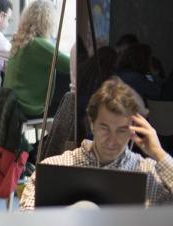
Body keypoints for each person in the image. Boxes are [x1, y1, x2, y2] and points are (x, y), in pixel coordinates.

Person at [20, 78, 173, 210]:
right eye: (104, 128)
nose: (112, 140)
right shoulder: (54, 168)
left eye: (121, 130)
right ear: (92, 124)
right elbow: (27, 222)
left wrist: (159, 153)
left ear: (134, 130)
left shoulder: (149, 174)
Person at [2, 0, 70, 117]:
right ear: (48, 21)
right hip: (29, 108)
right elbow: (70, 65)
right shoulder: (38, 45)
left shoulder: (20, 41)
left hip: (10, 105)